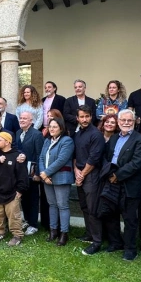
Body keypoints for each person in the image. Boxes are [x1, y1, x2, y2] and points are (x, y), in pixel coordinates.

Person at [103, 109, 141, 261]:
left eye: (129, 120)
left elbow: (136, 163)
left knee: (130, 218)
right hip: (112, 181)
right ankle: (116, 242)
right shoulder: (114, 138)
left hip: (130, 184)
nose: (126, 123)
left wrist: (118, 175)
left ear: (134, 122)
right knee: (111, 214)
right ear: (118, 121)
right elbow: (106, 157)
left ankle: (130, 249)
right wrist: (110, 174)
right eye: (123, 120)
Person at [0, 131, 29, 246]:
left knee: (14, 216)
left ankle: (17, 235)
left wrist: (20, 190)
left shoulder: (17, 156)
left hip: (12, 193)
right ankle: (0, 232)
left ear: (7, 142)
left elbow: (23, 175)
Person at [72, 106, 106, 253]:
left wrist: (82, 174)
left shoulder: (96, 134)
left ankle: (97, 241)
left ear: (91, 117)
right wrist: (76, 171)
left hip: (91, 175)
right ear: (77, 118)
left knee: (93, 209)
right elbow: (75, 156)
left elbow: (94, 158)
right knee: (84, 207)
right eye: (82, 117)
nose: (84, 119)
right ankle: (89, 233)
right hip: (80, 173)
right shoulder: (78, 134)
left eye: (87, 116)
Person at [38, 117, 75, 246]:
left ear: (61, 128)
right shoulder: (47, 141)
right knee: (52, 205)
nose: (52, 129)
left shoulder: (67, 141)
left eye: (55, 126)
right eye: (50, 126)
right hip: (46, 179)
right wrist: (43, 175)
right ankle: (53, 231)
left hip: (61, 178)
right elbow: (41, 157)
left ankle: (64, 233)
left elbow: (61, 160)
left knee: (62, 205)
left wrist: (46, 173)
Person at [14, 110, 44, 236]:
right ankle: (26, 219)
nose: (22, 120)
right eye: (20, 118)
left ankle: (33, 224)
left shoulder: (36, 134)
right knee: (24, 198)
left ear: (31, 121)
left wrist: (37, 173)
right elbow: (16, 149)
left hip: (32, 173)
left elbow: (39, 154)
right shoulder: (18, 132)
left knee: (32, 198)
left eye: (25, 118)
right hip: (20, 172)